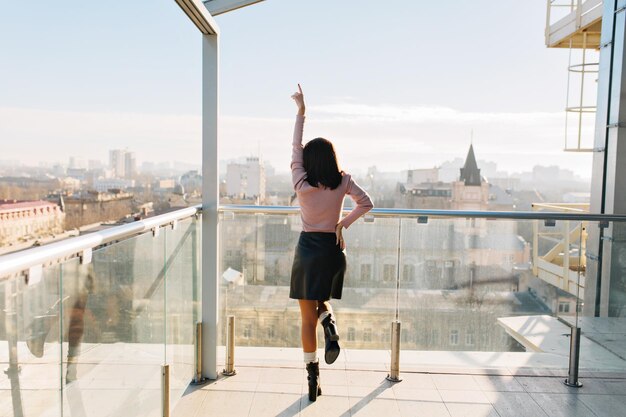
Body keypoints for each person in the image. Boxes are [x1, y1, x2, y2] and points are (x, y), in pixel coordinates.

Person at [289, 84, 373, 401]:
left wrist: (301, 112)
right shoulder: (344, 181)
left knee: (306, 317)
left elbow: (295, 146)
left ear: (309, 162)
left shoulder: (301, 182)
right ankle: (330, 320)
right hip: (334, 252)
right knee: (319, 299)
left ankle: (313, 379)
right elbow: (367, 203)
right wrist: (343, 223)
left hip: (308, 251)